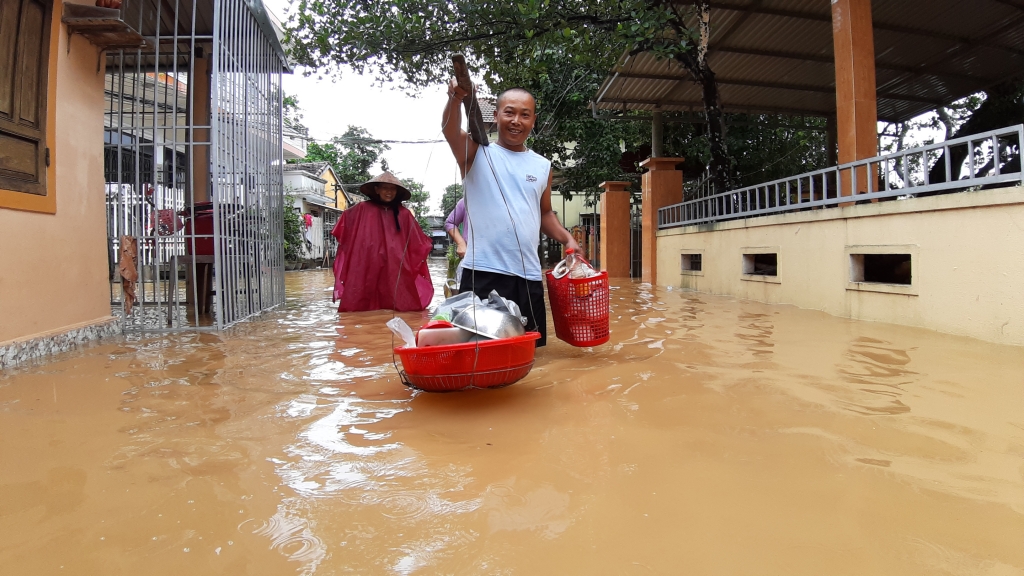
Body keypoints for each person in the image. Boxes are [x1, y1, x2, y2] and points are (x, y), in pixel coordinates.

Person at [442, 82, 580, 346]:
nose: (517, 121)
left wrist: (567, 239)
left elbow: (545, 213)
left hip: (527, 274)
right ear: (495, 116)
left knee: (531, 351)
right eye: (509, 112)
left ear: (533, 120)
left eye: (525, 114)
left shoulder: (542, 166)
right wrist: (455, 98)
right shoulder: (475, 152)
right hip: (482, 270)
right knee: (478, 348)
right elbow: (449, 130)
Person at [330, 172, 433, 312]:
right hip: (367, 260)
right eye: (385, 188)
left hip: (395, 263)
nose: (389, 192)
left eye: (392, 189)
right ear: (377, 190)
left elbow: (417, 241)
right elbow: (345, 225)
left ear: (397, 192)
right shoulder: (361, 209)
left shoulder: (403, 214)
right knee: (360, 299)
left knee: (402, 302)